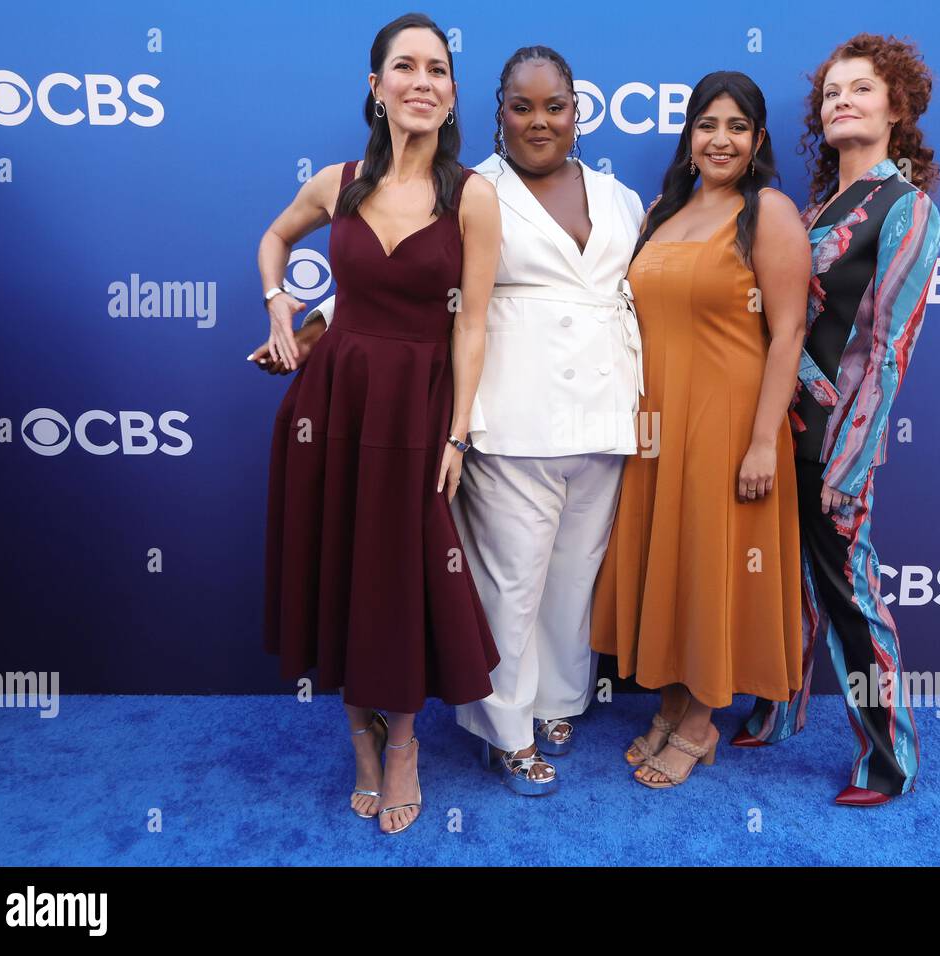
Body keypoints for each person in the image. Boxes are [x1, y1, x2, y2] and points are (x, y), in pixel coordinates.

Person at [294, 47, 647, 795]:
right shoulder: (466, 187)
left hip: (605, 414)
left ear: (579, 111)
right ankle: (504, 731)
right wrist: (316, 324)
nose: (540, 121)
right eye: (522, 107)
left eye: (555, 106)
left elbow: (638, 295)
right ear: (496, 114)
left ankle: (556, 701)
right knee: (508, 580)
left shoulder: (622, 198)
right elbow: (403, 287)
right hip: (510, 412)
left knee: (571, 578)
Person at [253, 13, 502, 835]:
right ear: (377, 86)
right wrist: (280, 303)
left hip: (420, 409)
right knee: (344, 564)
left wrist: (458, 434)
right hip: (332, 406)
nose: (421, 81)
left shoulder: (474, 196)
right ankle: (359, 736)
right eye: (405, 66)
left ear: (453, 93)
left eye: (437, 69)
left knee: (398, 573)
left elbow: (471, 324)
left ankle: (402, 745)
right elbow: (274, 238)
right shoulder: (338, 182)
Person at [730, 33, 940, 807]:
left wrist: (853, 459)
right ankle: (779, 708)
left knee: (852, 595)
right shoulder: (815, 207)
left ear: (899, 106)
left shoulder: (907, 207)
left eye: (861, 88)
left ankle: (888, 758)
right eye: (831, 93)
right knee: (786, 586)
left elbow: (889, 349)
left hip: (835, 438)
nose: (842, 100)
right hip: (775, 428)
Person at [590, 71, 809, 789]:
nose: (720, 140)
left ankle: (700, 720)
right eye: (707, 125)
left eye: (737, 127)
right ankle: (672, 700)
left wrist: (759, 441)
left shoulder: (769, 211)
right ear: (689, 137)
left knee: (717, 562)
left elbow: (788, 334)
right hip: (658, 425)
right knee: (675, 560)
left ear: (758, 141)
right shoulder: (663, 211)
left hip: (729, 425)